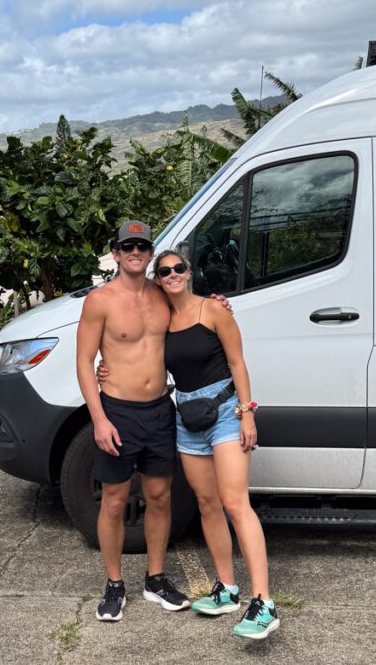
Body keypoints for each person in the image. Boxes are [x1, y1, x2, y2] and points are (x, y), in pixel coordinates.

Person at [100, 248, 279, 640]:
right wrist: (106, 366)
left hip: (225, 412)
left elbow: (237, 363)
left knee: (235, 502)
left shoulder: (213, 311)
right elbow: (135, 346)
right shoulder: (163, 315)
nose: (172, 274)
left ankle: (264, 601)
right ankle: (227, 589)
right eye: (164, 271)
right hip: (185, 415)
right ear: (158, 279)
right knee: (207, 503)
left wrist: (248, 412)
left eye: (179, 268)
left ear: (190, 272)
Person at [75, 220, 191, 623]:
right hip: (118, 413)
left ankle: (155, 579)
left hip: (160, 410)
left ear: (150, 252)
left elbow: (197, 311)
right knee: (113, 501)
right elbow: (84, 363)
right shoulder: (100, 300)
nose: (135, 252)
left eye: (142, 246)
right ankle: (114, 584)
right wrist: (99, 419)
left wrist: (220, 302)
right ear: (116, 253)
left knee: (160, 497)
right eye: (128, 247)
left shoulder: (164, 295)